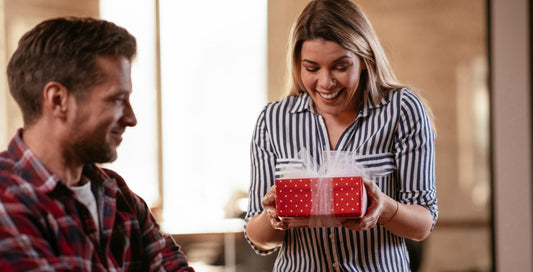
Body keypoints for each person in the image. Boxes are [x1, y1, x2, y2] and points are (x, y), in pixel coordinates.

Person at [244, 0, 438, 271]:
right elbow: (258, 239)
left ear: (365, 60)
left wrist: (382, 207)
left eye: (340, 66)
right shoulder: (273, 120)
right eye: (312, 68)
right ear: (299, 66)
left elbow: (422, 225)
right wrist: (273, 215)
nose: (325, 82)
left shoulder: (402, 110)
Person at [0, 17, 194, 271]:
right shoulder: (6, 202)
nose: (131, 118)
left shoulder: (118, 195)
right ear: (58, 100)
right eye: (116, 100)